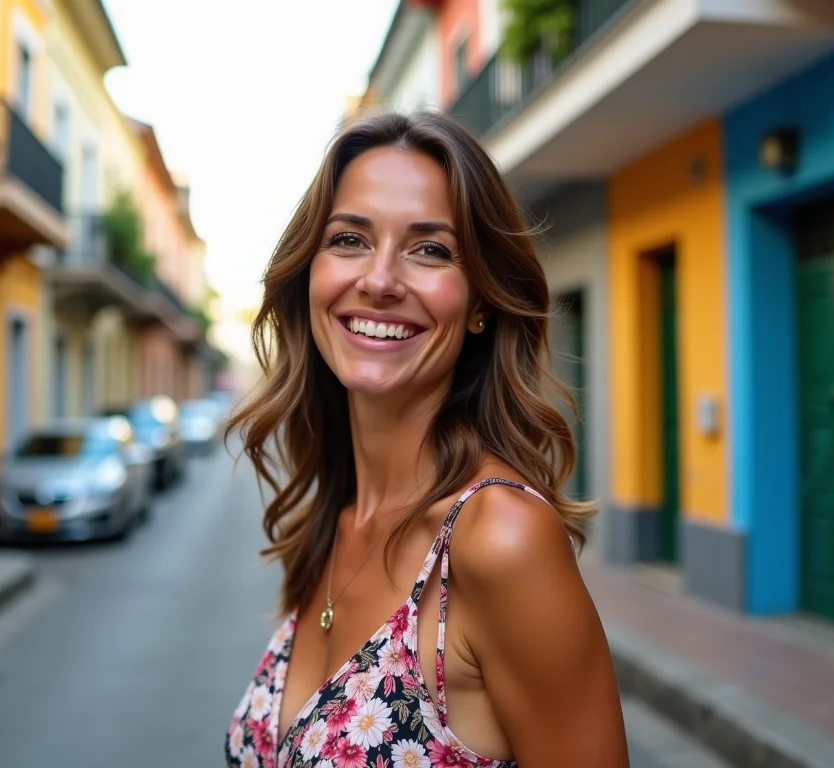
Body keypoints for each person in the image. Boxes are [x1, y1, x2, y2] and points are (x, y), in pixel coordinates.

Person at [224, 110, 629, 768]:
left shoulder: (500, 539)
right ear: (309, 275)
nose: (380, 280)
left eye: (430, 249)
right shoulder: (337, 516)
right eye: (350, 239)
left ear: (479, 303)